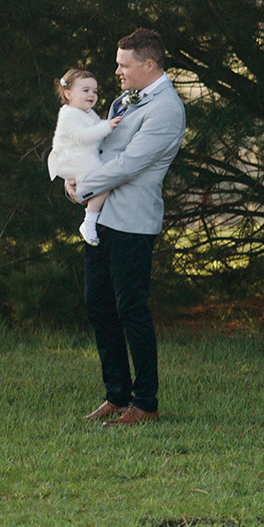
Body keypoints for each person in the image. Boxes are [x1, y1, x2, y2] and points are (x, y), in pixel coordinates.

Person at [65, 28, 187, 427]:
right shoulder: (126, 98)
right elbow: (101, 152)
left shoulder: (166, 109)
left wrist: (85, 188)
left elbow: (129, 165)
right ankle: (116, 395)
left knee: (131, 309)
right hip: (103, 220)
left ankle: (145, 402)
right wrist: (73, 176)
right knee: (98, 305)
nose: (116, 72)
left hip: (133, 223)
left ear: (149, 65)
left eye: (123, 65)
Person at [47, 68, 121, 245]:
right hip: (69, 158)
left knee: (103, 178)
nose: (92, 95)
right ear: (68, 94)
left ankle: (91, 212)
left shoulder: (86, 112)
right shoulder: (68, 114)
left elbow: (97, 133)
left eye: (94, 91)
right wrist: (108, 126)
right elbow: (83, 135)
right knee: (103, 178)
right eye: (85, 90)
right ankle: (89, 221)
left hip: (81, 157)